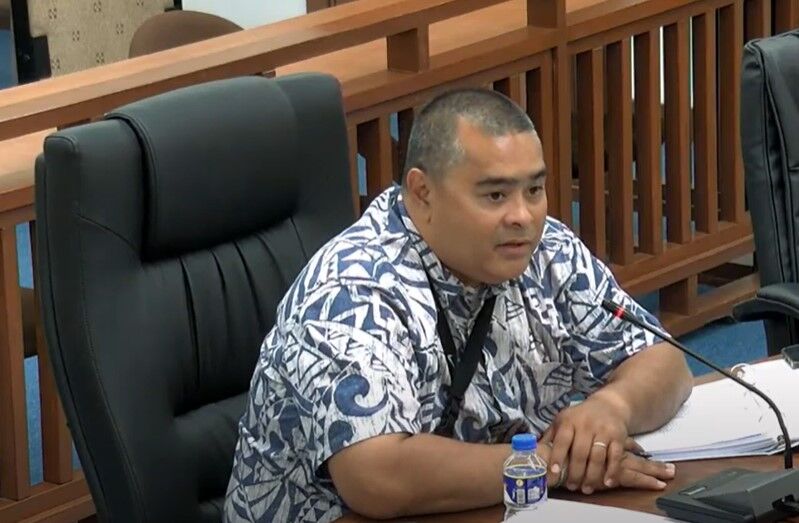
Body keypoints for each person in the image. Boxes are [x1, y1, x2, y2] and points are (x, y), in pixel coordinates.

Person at [224, 88, 693, 523]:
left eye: (534, 190)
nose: (523, 216)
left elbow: (665, 361)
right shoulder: (352, 293)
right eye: (495, 194)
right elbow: (377, 476)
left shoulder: (547, 250)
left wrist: (613, 406)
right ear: (422, 193)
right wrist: (554, 465)